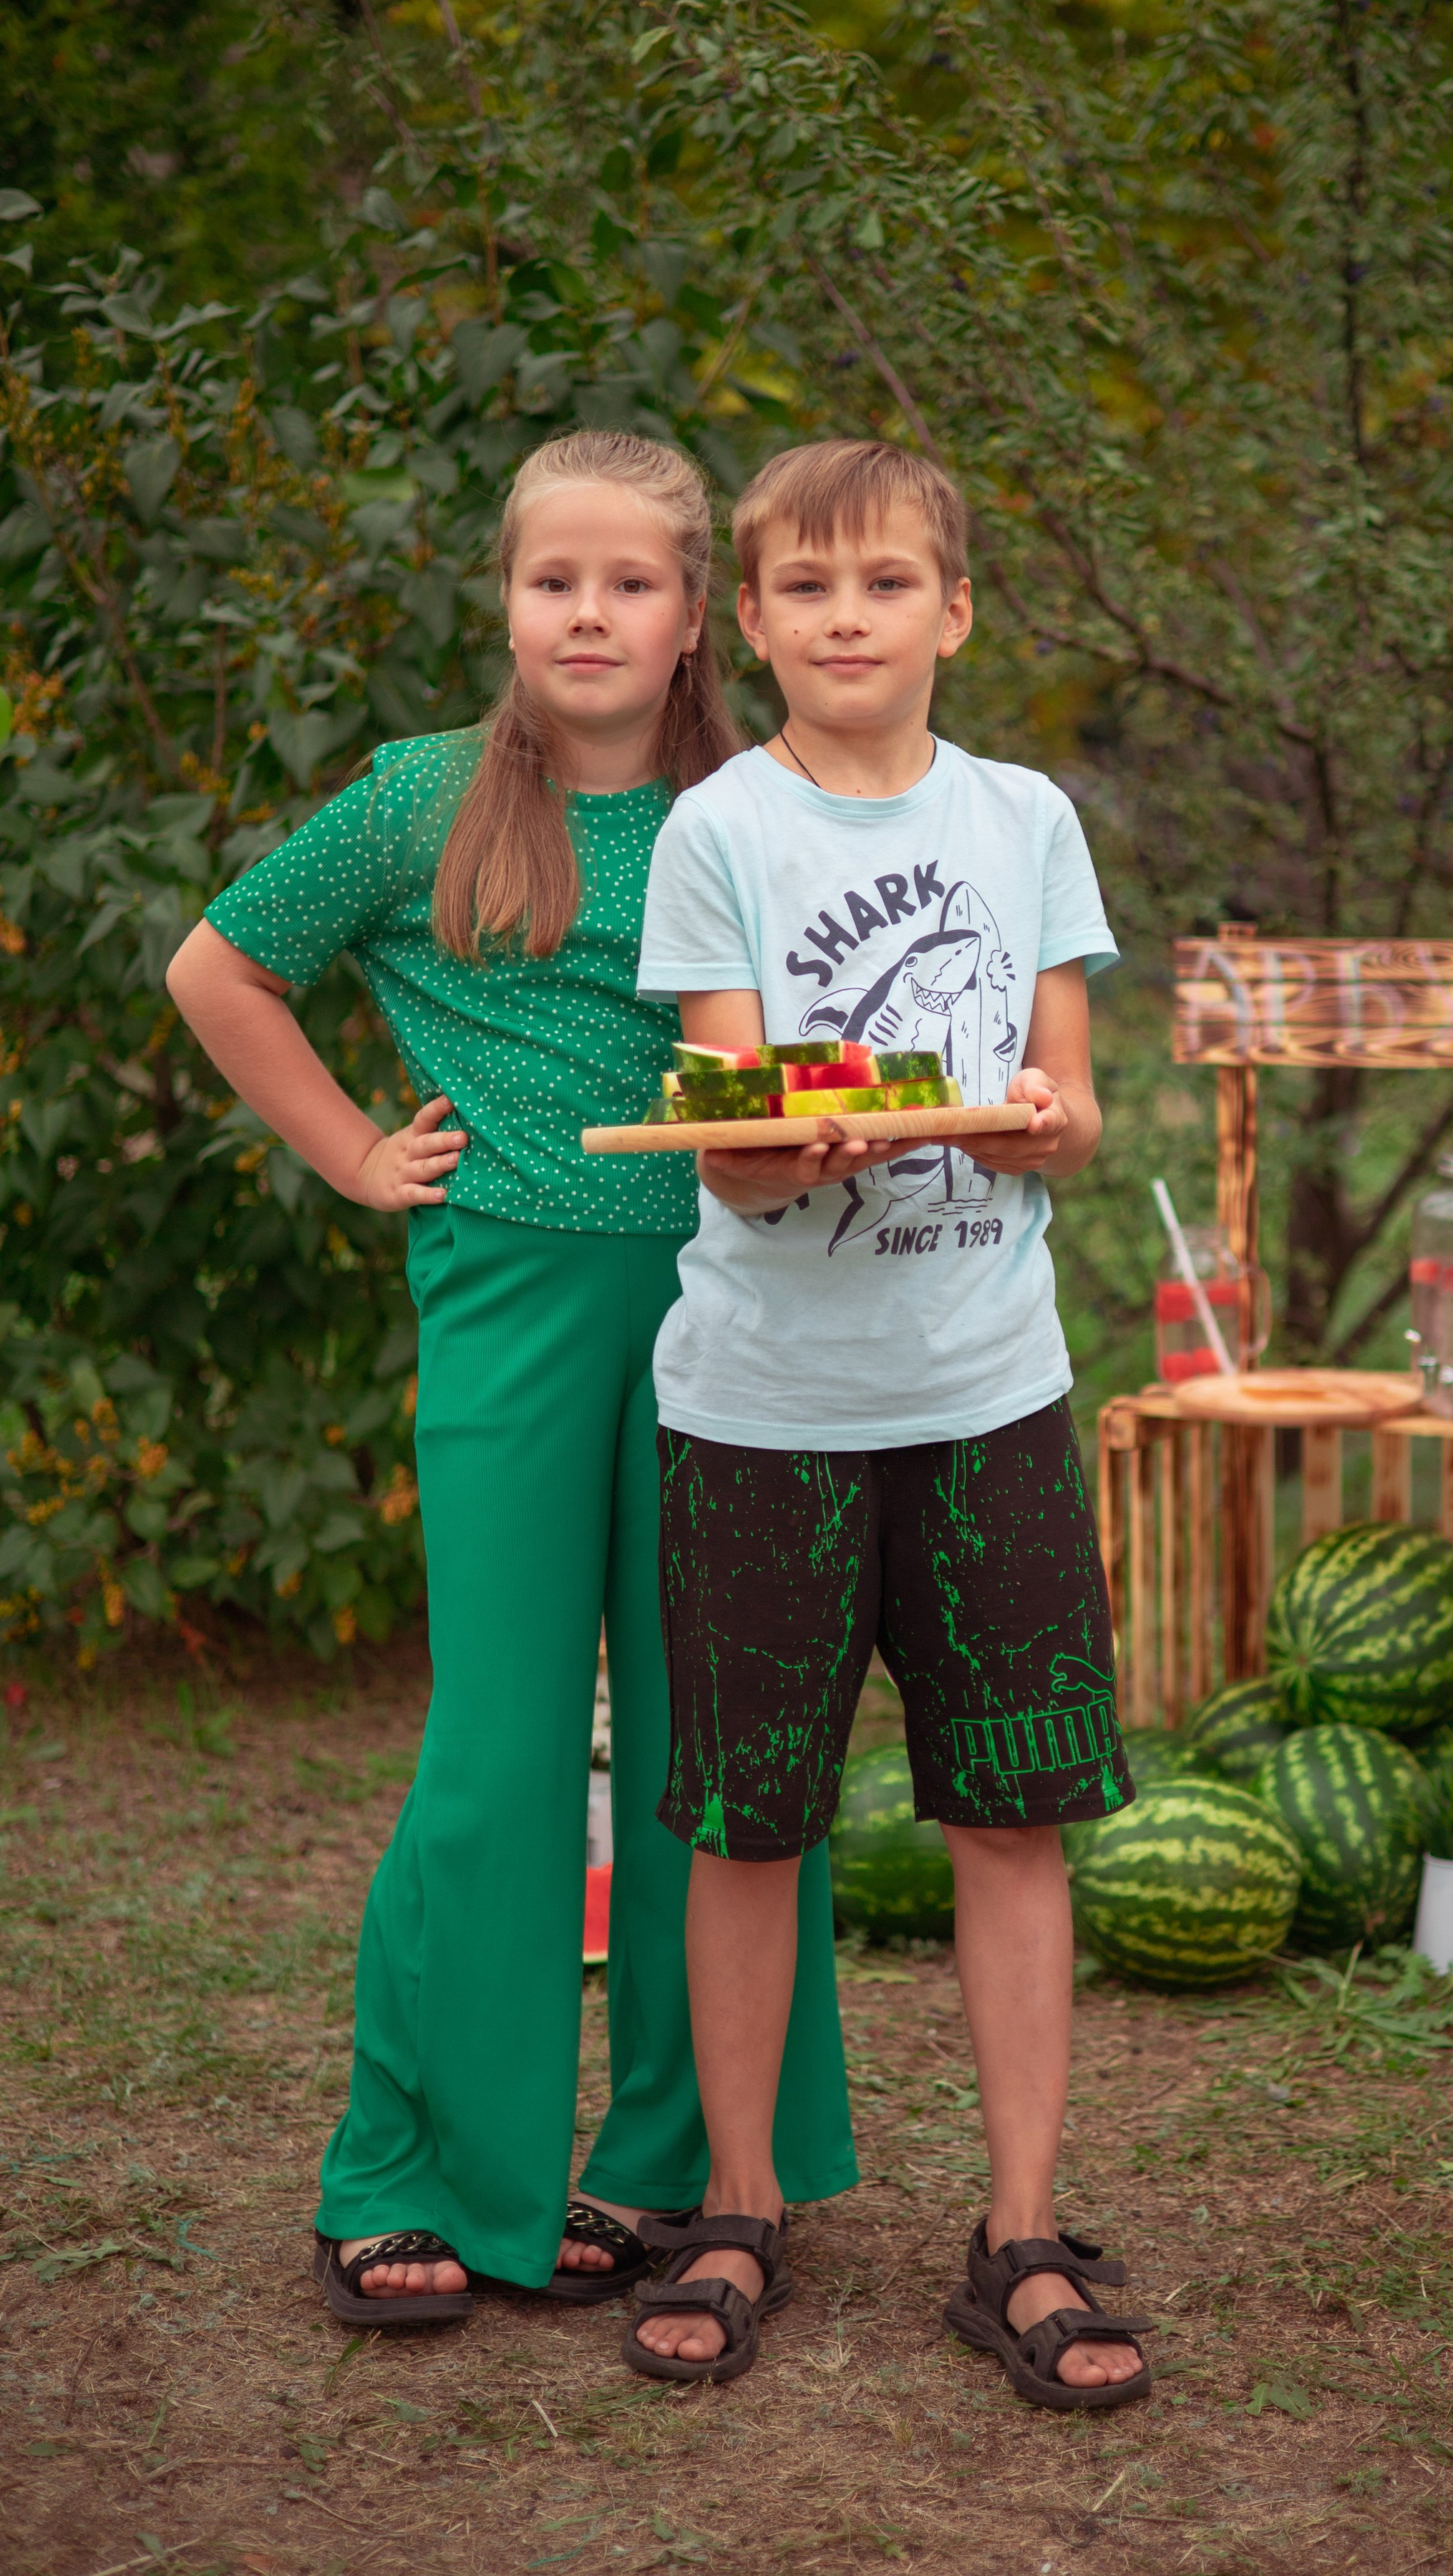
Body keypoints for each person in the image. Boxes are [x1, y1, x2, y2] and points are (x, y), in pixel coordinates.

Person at [165, 429, 856, 2328]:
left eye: (633, 583)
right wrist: (349, 1153)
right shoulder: (423, 803)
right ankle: (411, 2173)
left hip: (738, 1308)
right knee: (501, 1743)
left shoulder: (760, 806)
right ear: (508, 601)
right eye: (557, 580)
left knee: (714, 1745)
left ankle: (678, 2165)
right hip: (512, 1302)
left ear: (697, 615)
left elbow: (823, 1032)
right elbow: (219, 970)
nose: (591, 614)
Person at [621, 437, 1152, 2409]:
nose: (848, 619)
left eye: (887, 583)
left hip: (989, 1392)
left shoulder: (1028, 819)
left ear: (955, 611)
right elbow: (728, 1133)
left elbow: (1067, 1104)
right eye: (807, 589)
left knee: (1014, 1812)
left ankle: (1021, 2233)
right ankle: (738, 2205)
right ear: (752, 624)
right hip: (762, 1408)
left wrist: (1022, 1120)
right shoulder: (719, 832)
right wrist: (790, 1148)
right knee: (751, 1818)